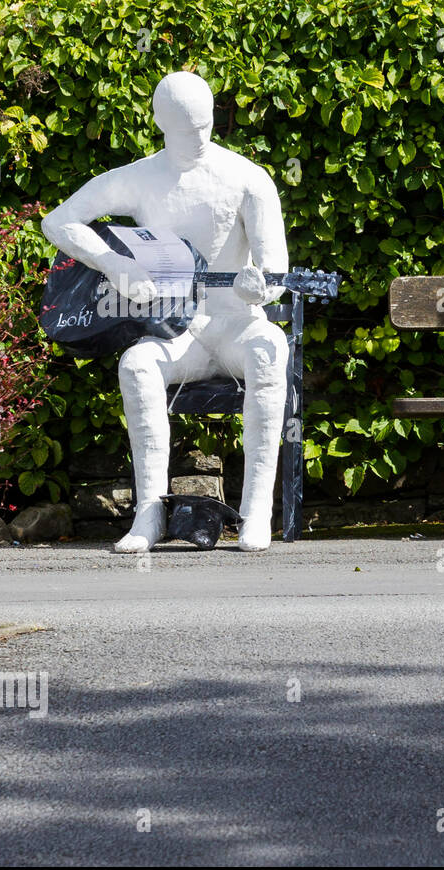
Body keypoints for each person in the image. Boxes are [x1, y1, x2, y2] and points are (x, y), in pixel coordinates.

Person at [43, 71, 289, 553]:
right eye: (184, 128)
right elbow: (59, 220)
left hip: (236, 323)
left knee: (269, 349)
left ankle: (257, 512)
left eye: (203, 125)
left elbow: (275, 262)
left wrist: (261, 285)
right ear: (159, 122)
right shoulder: (140, 177)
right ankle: (149, 514)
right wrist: (112, 262)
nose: (197, 137)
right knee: (135, 363)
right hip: (180, 330)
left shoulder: (247, 178)